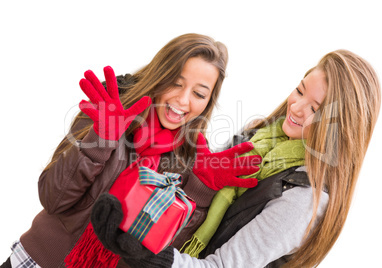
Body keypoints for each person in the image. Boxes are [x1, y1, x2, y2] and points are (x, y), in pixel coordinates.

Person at [91, 49, 381, 267]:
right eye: (300, 90)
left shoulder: (303, 199)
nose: (297, 107)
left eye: (315, 108)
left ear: (340, 127)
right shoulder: (257, 136)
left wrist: (150, 253)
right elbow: (192, 203)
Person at [0, 33, 262, 268]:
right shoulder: (109, 108)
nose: (183, 101)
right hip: (36, 261)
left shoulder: (191, 158)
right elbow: (53, 198)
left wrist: (199, 191)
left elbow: (156, 255)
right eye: (176, 82)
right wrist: (100, 140)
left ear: (208, 102)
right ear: (160, 75)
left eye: (199, 93)